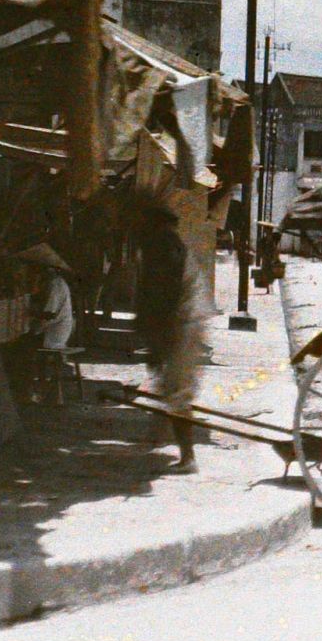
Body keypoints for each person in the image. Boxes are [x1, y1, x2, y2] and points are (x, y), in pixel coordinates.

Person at [127, 195, 206, 472]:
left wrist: (158, 336)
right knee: (166, 383)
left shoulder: (162, 243)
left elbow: (163, 293)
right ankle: (156, 437)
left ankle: (189, 457)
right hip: (180, 318)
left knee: (176, 389)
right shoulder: (161, 242)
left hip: (182, 321)